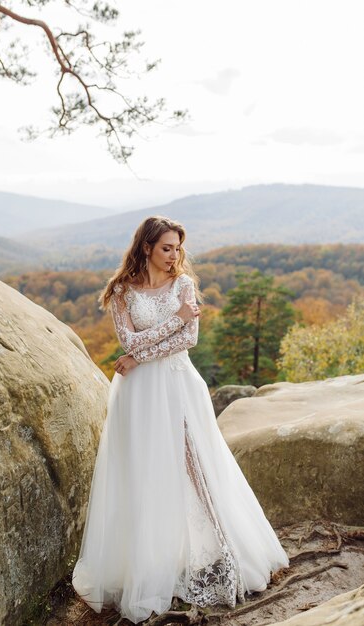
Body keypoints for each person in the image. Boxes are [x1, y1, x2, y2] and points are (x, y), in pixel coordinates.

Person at [72, 215, 289, 624]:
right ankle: (148, 563)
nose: (174, 256)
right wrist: (173, 323)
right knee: (144, 471)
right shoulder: (121, 290)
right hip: (137, 395)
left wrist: (141, 355)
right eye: (166, 248)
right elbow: (129, 340)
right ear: (146, 248)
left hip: (178, 385)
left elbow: (189, 340)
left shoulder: (185, 285)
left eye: (177, 248)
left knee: (196, 467)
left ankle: (225, 551)